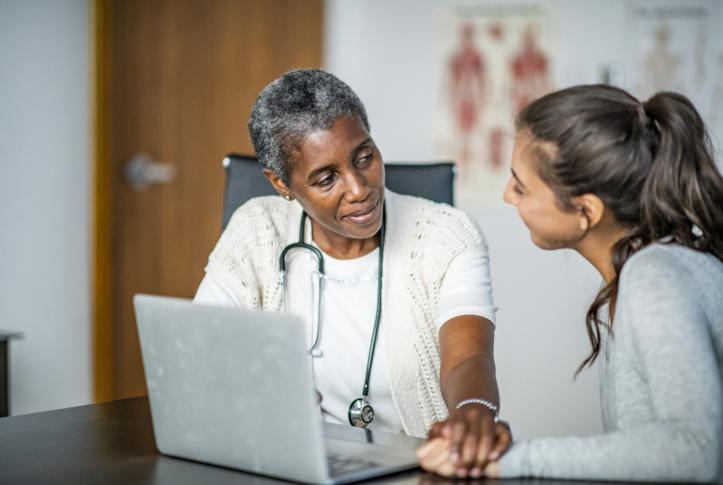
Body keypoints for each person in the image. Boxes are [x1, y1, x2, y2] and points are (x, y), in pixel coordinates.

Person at [194, 68, 512, 477]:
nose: (359, 188)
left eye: (364, 157)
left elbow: (467, 356)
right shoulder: (256, 230)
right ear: (281, 184)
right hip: (284, 465)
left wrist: (473, 412)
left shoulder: (445, 236)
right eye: (326, 179)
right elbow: (201, 354)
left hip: (411, 471)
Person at [418, 84, 723, 482]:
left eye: (521, 185)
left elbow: (694, 450)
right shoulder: (637, 271)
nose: (508, 196)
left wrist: (508, 460)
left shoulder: (655, 279)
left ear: (585, 211)